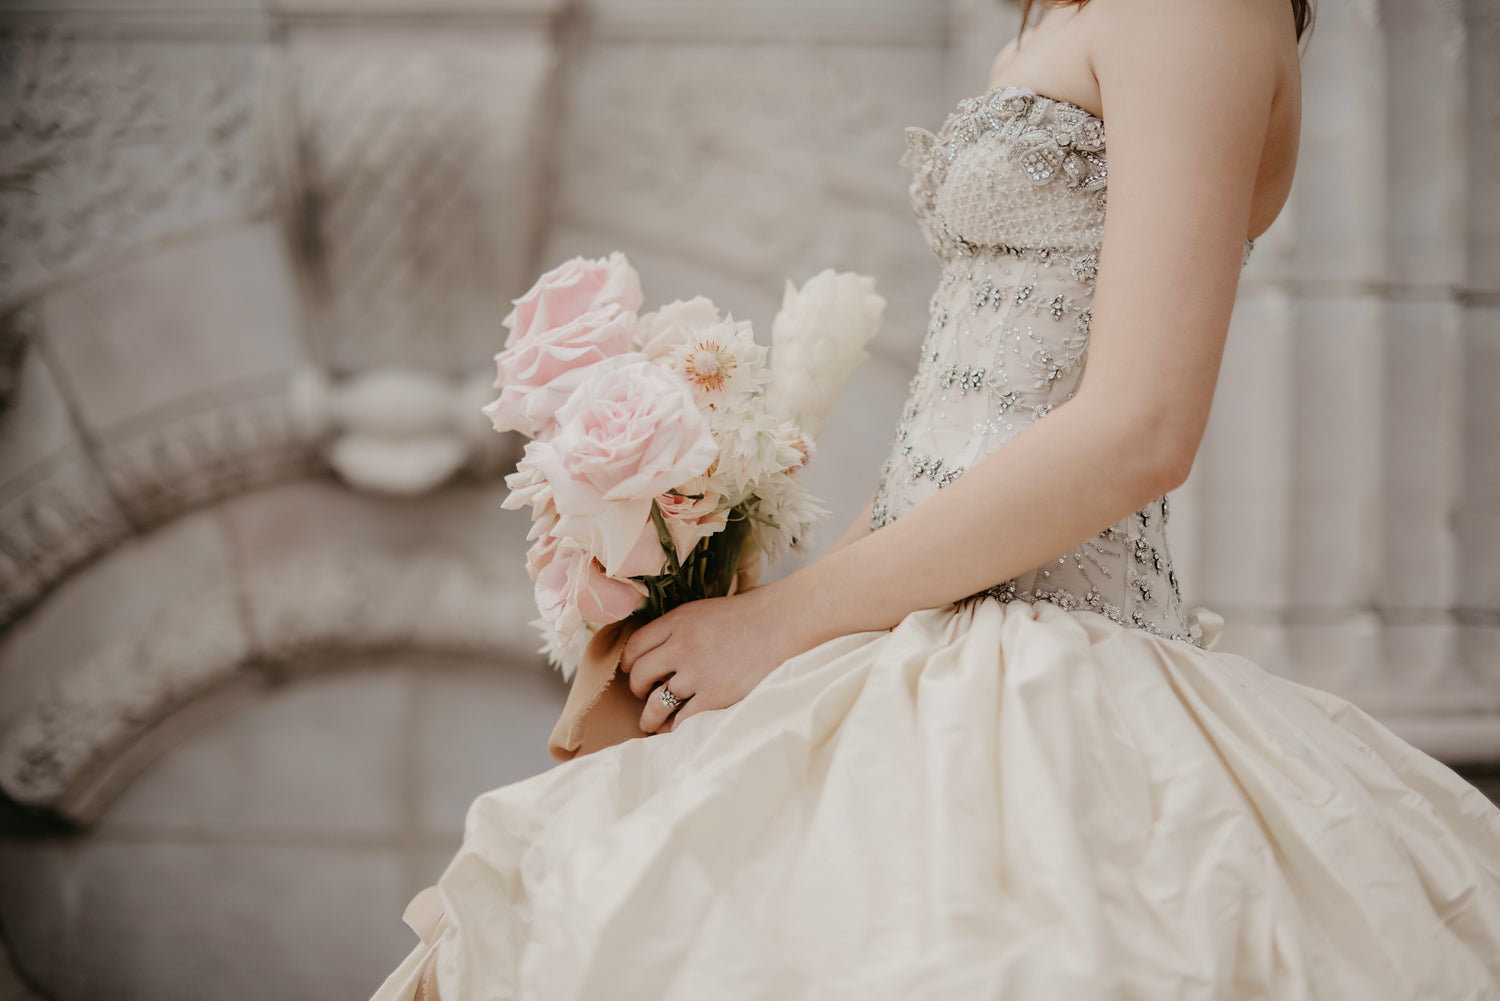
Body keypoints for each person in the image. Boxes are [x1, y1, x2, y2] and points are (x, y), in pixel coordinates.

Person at [372, 0, 1500, 997]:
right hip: (934, 635)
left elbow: (1140, 429)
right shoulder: (1063, 9)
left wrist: (782, 623)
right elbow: (962, 434)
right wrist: (774, 616)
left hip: (1052, 672)